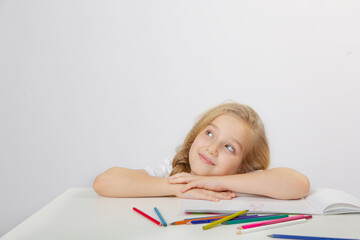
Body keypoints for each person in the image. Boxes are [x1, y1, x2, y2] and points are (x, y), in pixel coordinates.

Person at [93, 102, 310, 201]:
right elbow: (104, 182)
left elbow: (298, 184)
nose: (211, 148)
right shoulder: (174, 171)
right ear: (196, 133)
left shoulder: (244, 181)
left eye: (229, 147)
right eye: (209, 133)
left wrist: (218, 183)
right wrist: (179, 187)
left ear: (243, 166)